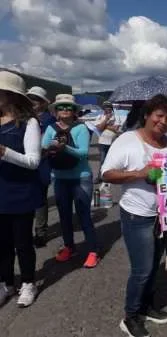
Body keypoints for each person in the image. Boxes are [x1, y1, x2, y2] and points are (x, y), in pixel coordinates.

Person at [102, 94, 167, 337]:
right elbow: (107, 174)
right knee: (142, 269)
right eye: (159, 115)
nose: (163, 121)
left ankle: (146, 307)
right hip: (136, 215)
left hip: (161, 217)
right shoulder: (127, 139)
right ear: (147, 115)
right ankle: (130, 316)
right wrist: (139, 173)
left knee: (154, 266)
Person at [42, 94, 99, 268]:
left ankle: (93, 251)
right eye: (61, 107)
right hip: (60, 178)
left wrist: (63, 147)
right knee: (64, 215)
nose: (65, 110)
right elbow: (43, 149)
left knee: (83, 215)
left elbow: (83, 153)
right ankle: (69, 246)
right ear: (56, 111)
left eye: (68, 107)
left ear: (74, 111)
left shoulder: (81, 128)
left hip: (80, 177)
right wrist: (48, 148)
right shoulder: (51, 128)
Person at [0, 71, 42, 307]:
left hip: (21, 192)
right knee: (1, 244)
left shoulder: (29, 123)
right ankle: (6, 282)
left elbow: (33, 161)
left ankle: (28, 282)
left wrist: (4, 152)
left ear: (10, 95)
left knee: (23, 243)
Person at [26, 86, 55, 248]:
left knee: (40, 199)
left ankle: (40, 232)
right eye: (30, 98)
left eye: (36, 99)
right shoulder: (23, 118)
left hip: (42, 163)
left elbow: (45, 143)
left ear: (43, 103)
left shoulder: (48, 120)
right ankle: (27, 231)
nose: (32, 102)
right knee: (26, 197)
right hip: (24, 162)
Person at [94, 101, 121, 183]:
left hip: (113, 142)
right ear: (103, 109)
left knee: (112, 160)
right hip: (102, 142)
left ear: (111, 109)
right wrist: (106, 119)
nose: (107, 110)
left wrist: (104, 125)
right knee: (102, 160)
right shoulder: (99, 116)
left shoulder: (116, 116)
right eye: (105, 108)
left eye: (109, 108)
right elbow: (99, 128)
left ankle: (110, 176)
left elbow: (116, 129)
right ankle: (100, 177)